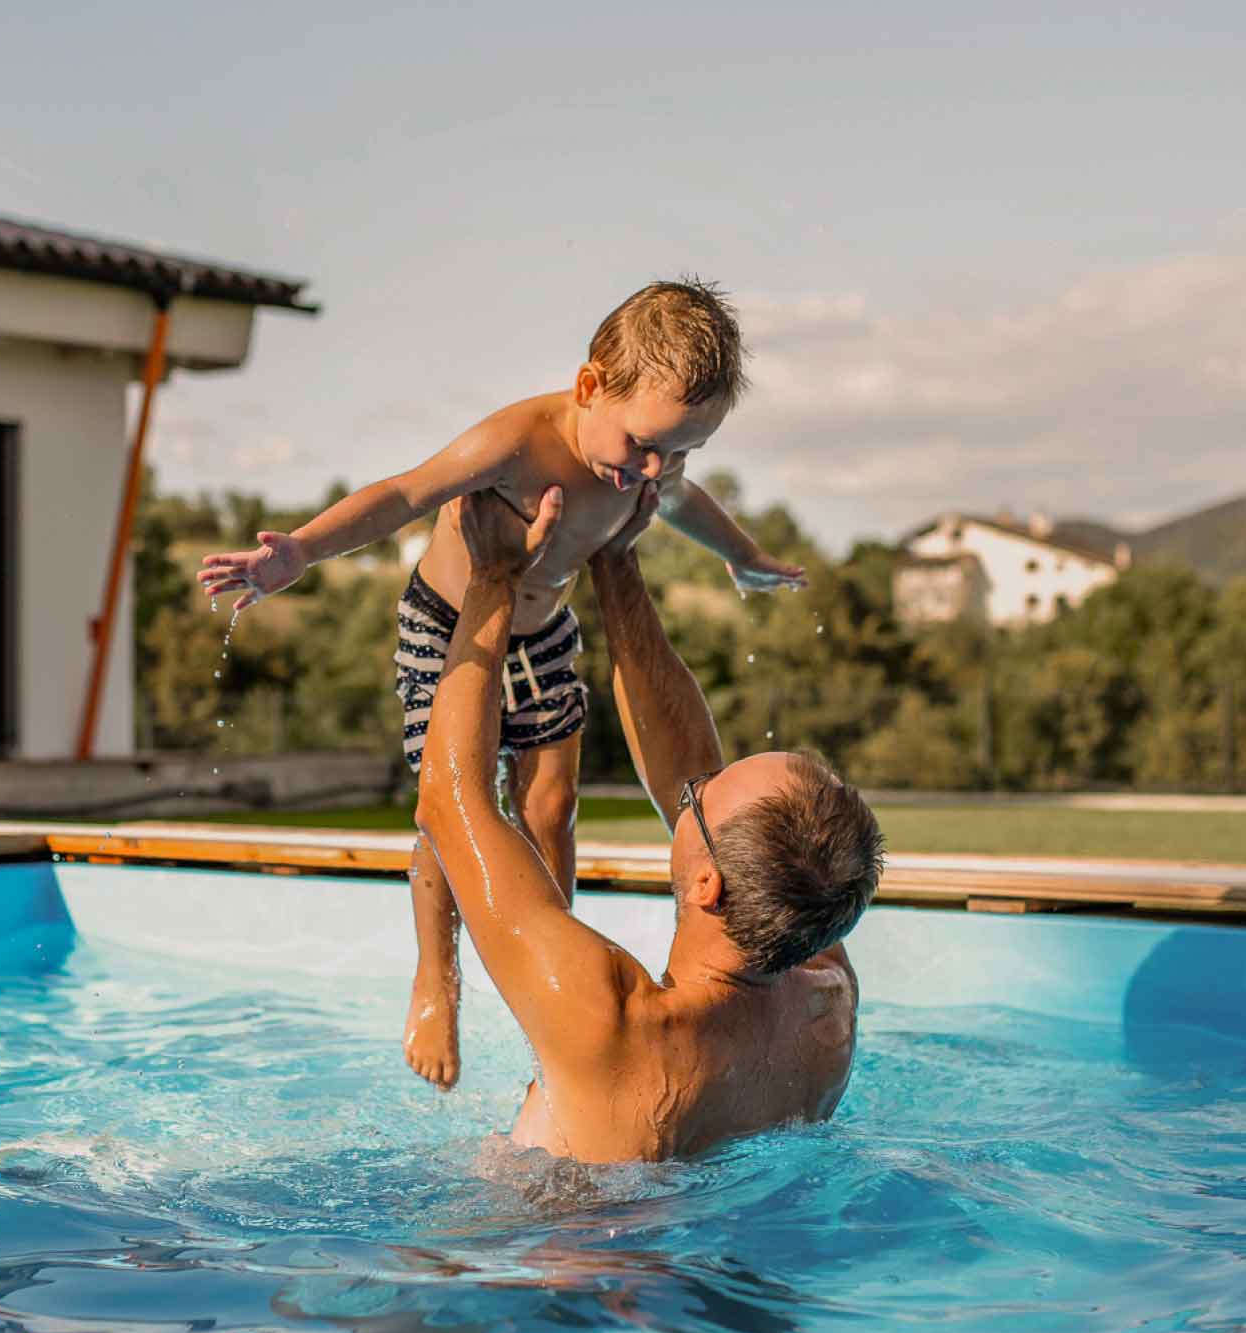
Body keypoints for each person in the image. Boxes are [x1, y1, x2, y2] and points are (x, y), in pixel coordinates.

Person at [197, 280, 807, 1089]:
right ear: (590, 386)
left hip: (546, 630)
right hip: (449, 632)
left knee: (553, 804)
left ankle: (557, 973)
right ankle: (435, 979)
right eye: (643, 443)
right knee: (449, 809)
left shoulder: (644, 466)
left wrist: (746, 558)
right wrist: (301, 552)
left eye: (682, 451)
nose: (656, 469)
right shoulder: (518, 441)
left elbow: (688, 507)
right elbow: (404, 494)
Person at [410, 481, 883, 1163]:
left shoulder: (614, 1023)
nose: (690, 787)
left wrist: (493, 576)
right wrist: (615, 560)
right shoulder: (826, 997)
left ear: (706, 888)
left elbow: (450, 803)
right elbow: (686, 764)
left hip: (549, 1252)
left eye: (702, 796)